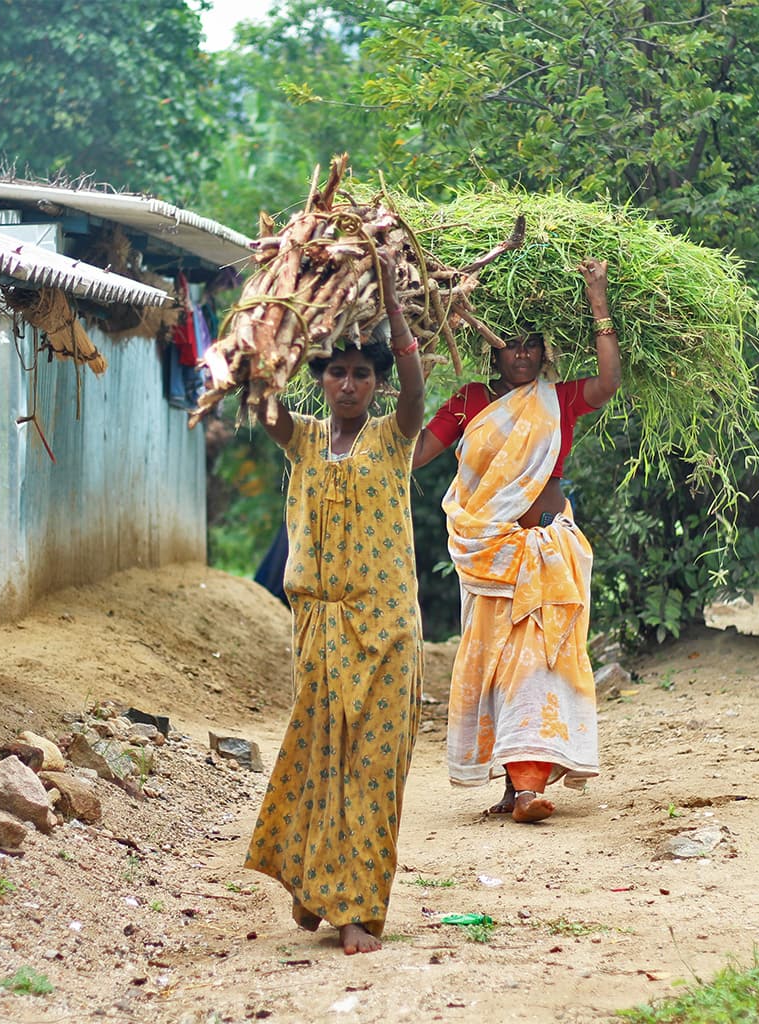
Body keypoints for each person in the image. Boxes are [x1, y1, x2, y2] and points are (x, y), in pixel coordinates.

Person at [243, 250, 426, 955]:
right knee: (322, 761)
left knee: (374, 771)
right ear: (319, 379)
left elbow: (416, 389)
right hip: (318, 630)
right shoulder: (305, 442)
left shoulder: (393, 437)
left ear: (376, 385)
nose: (348, 384)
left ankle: (358, 910)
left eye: (361, 374)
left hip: (384, 631)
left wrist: (394, 304)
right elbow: (263, 401)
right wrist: (274, 318)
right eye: (337, 371)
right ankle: (322, 888)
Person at [411, 258, 621, 823]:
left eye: (531, 345)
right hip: (487, 551)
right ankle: (512, 783)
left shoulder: (558, 400)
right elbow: (415, 455)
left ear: (544, 351)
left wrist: (597, 300)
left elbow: (608, 382)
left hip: (548, 550)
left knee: (538, 662)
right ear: (492, 352)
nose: (522, 354)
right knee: (497, 665)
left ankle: (529, 788)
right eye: (510, 346)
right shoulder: (468, 402)